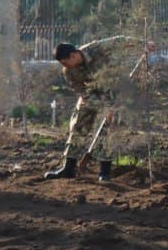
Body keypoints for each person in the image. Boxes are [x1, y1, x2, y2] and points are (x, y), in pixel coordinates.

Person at [44, 36, 152, 181]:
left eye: (66, 62)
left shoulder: (95, 49)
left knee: (107, 130)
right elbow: (81, 92)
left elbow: (119, 41)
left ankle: (105, 172)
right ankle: (68, 168)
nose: (65, 66)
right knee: (78, 127)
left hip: (112, 90)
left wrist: (143, 44)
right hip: (90, 96)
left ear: (74, 55)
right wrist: (99, 105)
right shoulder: (68, 72)